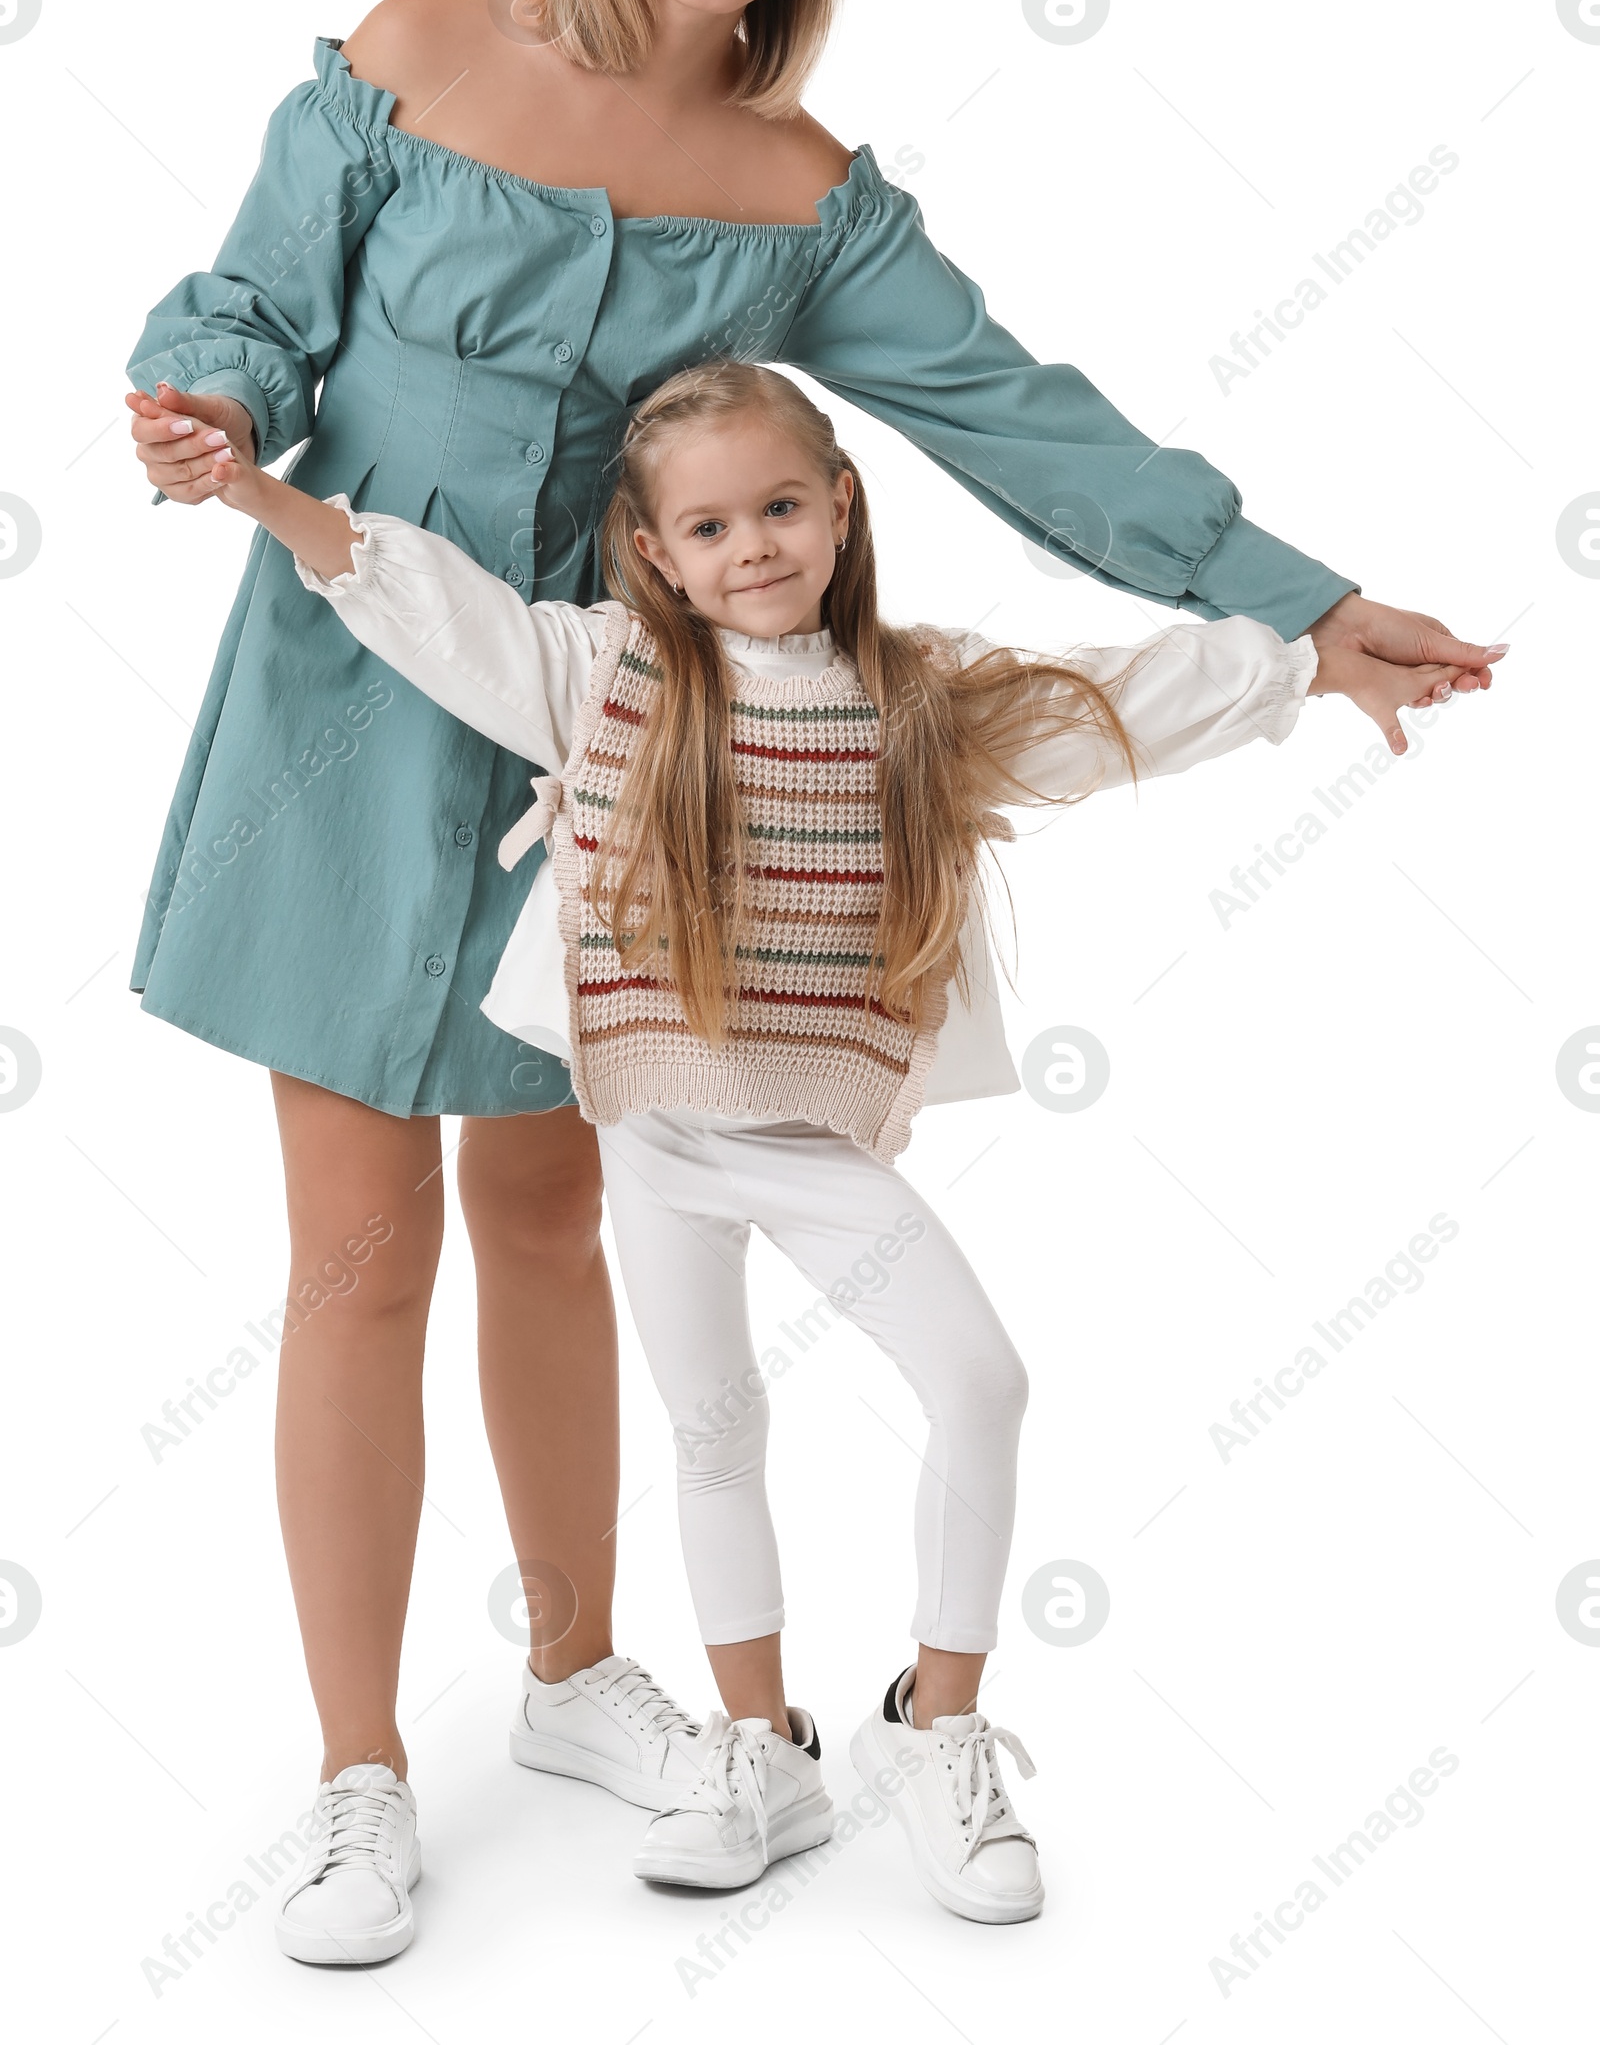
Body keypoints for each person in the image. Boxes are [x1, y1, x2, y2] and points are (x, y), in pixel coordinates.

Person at [122, 0, 1501, 1961]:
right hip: (352, 701)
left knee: (556, 1221)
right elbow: (256, 306)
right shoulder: (409, 55)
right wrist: (202, 397)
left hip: (627, 763)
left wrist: (1296, 600)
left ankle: (571, 1676)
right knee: (359, 1256)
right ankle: (360, 1775)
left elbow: (1019, 417)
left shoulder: (802, 192)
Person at [201, 357, 1471, 1924]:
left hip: (817, 1147)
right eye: (714, 525)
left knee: (982, 1383)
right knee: (717, 1436)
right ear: (657, 554)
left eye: (784, 506)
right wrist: (266, 496)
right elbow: (441, 611)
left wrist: (1310, 668)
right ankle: (761, 1749)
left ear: (842, 505)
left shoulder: (914, 703)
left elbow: (1107, 709)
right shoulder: (605, 678)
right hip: (660, 1142)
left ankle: (939, 1731)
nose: (755, 547)